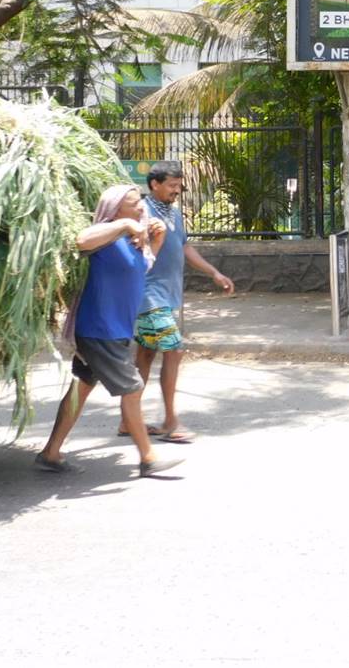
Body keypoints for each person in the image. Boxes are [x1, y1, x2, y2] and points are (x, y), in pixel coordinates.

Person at [36, 185, 183, 478]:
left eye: (141, 203)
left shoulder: (130, 240)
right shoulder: (104, 235)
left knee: (82, 385)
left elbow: (140, 270)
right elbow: (81, 240)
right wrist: (124, 224)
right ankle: (148, 458)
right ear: (115, 209)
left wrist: (157, 239)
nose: (142, 208)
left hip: (114, 330)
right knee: (133, 388)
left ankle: (51, 452)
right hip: (100, 329)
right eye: (134, 204)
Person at [116, 160, 235, 444]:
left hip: (167, 294)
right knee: (175, 348)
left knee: (146, 354)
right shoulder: (140, 211)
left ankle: (125, 421)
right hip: (147, 294)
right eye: (171, 185)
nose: (177, 190)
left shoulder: (173, 213)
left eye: (179, 185)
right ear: (154, 184)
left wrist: (213, 273)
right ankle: (170, 421)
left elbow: (184, 246)